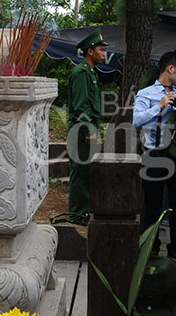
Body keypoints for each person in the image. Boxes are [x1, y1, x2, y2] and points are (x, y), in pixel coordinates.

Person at [133, 50, 176, 265]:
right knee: (153, 207)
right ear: (170, 68)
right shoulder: (146, 93)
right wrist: (160, 106)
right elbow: (136, 120)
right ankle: (151, 249)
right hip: (154, 155)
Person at [66, 29, 108, 223]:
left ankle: (83, 211)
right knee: (80, 172)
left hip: (85, 128)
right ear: (90, 51)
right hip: (80, 130)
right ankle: (77, 214)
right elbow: (81, 105)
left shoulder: (90, 72)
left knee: (86, 170)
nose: (104, 53)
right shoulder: (81, 73)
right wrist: (88, 129)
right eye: (101, 50)